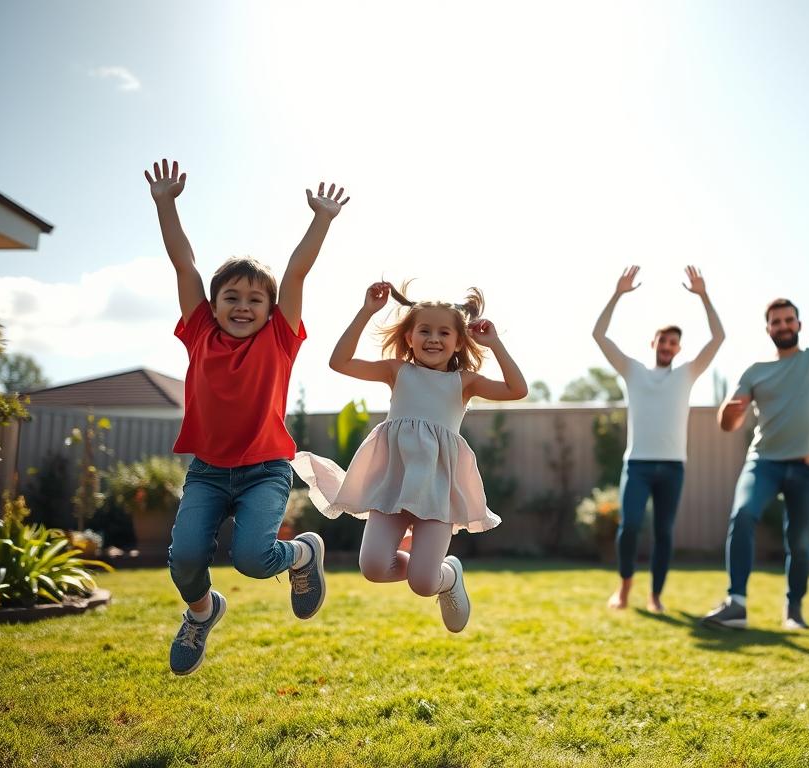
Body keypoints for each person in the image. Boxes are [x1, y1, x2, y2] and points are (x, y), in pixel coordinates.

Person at [146, 159, 346, 675]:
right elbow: (184, 266)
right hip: (208, 471)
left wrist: (320, 219)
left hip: (265, 470)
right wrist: (166, 204)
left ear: (270, 308)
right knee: (185, 559)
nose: (242, 305)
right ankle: (202, 612)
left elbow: (297, 270)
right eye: (230, 297)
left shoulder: (279, 339)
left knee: (254, 560)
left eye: (255, 299)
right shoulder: (198, 334)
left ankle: (302, 555)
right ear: (211, 307)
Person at [290, 280, 528, 633]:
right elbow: (339, 362)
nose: (433, 338)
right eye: (424, 331)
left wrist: (494, 344)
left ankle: (446, 576)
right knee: (372, 567)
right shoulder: (397, 371)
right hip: (392, 483)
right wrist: (367, 311)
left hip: (437, 488)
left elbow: (517, 390)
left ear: (459, 341)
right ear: (409, 337)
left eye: (444, 332)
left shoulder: (465, 382)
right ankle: (426, 566)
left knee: (422, 582)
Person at [702, 249, 809, 630]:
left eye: (787, 318)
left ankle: (794, 612)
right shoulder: (755, 371)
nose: (782, 324)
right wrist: (732, 410)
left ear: (798, 323)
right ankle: (737, 604)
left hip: (808, 468)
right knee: (743, 515)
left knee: (799, 542)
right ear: (768, 329)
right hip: (763, 462)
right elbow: (727, 424)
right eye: (775, 321)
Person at [592, 265, 725, 612]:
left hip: (672, 467)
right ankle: (623, 590)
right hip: (637, 464)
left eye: (673, 342)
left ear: (678, 349)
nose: (666, 346)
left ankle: (655, 596)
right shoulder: (632, 370)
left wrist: (704, 296)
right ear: (653, 343)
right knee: (630, 525)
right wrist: (618, 293)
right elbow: (599, 335)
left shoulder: (687, 374)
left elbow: (718, 338)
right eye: (662, 340)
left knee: (664, 533)